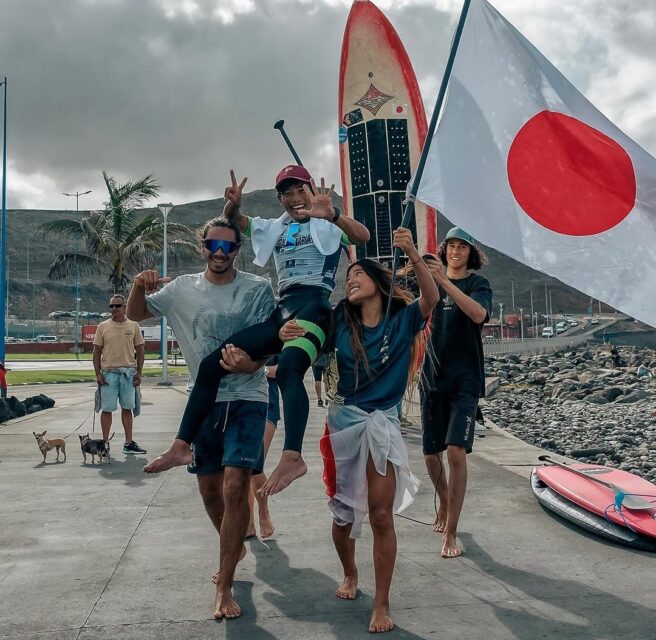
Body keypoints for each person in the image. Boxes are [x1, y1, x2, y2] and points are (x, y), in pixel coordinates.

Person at [145, 166, 370, 496]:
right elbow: (237, 224)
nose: (294, 199)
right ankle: (181, 445)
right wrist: (232, 206)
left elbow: (363, 236)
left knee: (289, 372)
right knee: (211, 364)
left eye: (300, 191)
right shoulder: (273, 228)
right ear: (279, 199)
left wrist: (333, 214)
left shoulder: (328, 224)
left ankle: (292, 456)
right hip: (283, 310)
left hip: (315, 308)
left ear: (311, 190)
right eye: (286, 194)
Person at [282, 228, 438, 633]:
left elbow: (431, 298)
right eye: (347, 277)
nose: (349, 281)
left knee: (382, 516)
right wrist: (288, 339)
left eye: (357, 275)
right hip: (343, 422)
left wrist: (412, 254)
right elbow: (310, 344)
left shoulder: (402, 321)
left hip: (381, 424)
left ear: (377, 281)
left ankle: (382, 602)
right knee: (344, 514)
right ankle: (350, 571)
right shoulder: (339, 320)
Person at [127, 217, 275, 619]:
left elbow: (270, 343)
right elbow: (137, 314)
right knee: (211, 493)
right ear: (202, 246)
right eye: (214, 245)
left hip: (248, 396)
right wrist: (139, 284)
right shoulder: (181, 289)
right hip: (204, 402)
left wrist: (252, 365)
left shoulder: (258, 289)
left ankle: (224, 584)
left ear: (238, 249)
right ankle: (233, 547)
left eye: (228, 247)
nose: (220, 253)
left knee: (234, 484)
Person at [420, 227, 492, 558]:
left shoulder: (478, 285)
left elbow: (478, 315)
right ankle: (445, 499)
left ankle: (451, 531)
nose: (456, 251)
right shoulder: (429, 282)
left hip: (465, 379)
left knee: (455, 452)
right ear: (444, 248)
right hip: (432, 377)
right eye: (451, 245)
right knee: (430, 453)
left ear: (470, 253)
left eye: (463, 246)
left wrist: (446, 283)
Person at [93, 294, 146, 455]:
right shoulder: (103, 326)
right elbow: (96, 352)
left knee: (127, 408)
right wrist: (98, 374)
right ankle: (104, 444)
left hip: (128, 374)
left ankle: (128, 443)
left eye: (117, 306)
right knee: (107, 409)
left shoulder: (133, 326)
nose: (114, 309)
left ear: (124, 307)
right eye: (111, 306)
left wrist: (139, 373)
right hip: (108, 375)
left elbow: (141, 350)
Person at [246, 355, 279, 539]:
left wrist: (256, 368)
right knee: (240, 469)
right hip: (236, 403)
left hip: (266, 404)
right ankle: (248, 521)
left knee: (254, 466)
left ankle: (263, 512)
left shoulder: (276, 331)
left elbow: (286, 369)